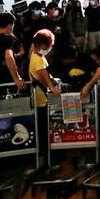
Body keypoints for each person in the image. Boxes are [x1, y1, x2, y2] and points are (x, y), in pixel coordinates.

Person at [29, 29, 61, 165]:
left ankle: (45, 157)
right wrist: (53, 88)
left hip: (41, 98)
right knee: (42, 129)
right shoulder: (37, 60)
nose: (49, 49)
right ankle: (45, 160)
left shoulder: (37, 56)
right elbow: (44, 77)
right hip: (41, 99)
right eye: (47, 46)